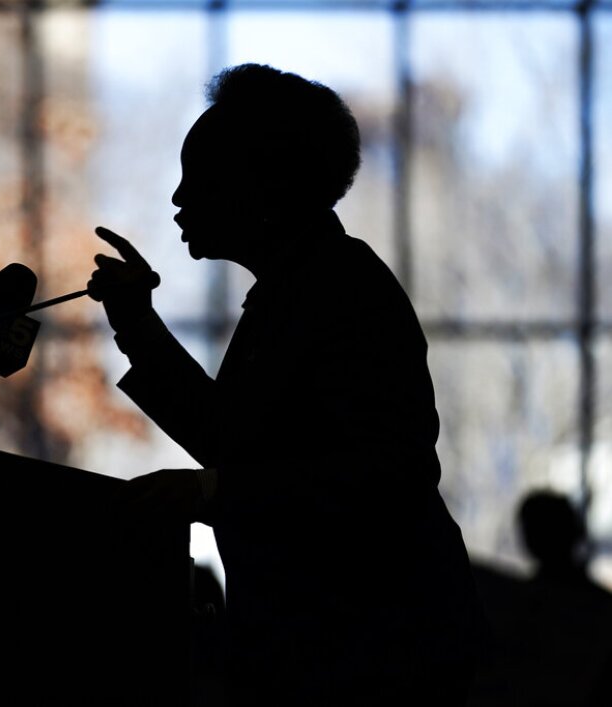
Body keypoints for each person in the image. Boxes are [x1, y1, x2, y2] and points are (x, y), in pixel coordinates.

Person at [89, 63, 480, 705]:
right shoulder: (306, 287)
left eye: (201, 178)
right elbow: (234, 440)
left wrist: (207, 491)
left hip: (373, 657)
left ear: (264, 187)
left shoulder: (339, 291)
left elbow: (388, 470)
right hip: (362, 648)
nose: (179, 199)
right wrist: (136, 325)